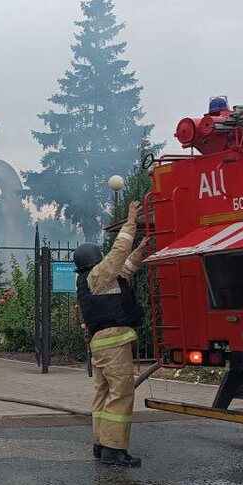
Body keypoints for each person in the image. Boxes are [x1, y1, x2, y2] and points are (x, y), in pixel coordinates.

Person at [74, 200, 150, 467]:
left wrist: (141, 249)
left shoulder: (94, 280)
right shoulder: (98, 275)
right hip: (114, 342)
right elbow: (118, 253)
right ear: (96, 260)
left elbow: (125, 268)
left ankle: (101, 444)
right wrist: (130, 221)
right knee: (121, 394)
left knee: (104, 394)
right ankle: (114, 449)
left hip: (101, 343)